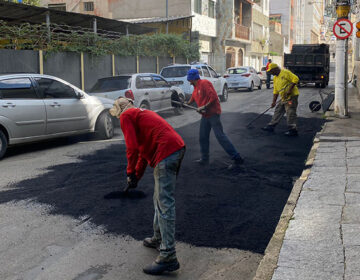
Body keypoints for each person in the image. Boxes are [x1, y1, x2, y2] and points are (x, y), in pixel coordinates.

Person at [109, 97, 185, 275]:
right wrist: (136, 176)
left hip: (166, 152)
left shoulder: (127, 115)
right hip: (174, 149)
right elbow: (143, 153)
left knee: (165, 203)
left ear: (120, 110)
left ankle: (168, 256)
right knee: (158, 198)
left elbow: (132, 148)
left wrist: (129, 172)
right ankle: (158, 238)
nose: (118, 119)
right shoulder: (140, 115)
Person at [186, 69, 243, 170]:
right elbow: (193, 99)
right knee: (203, 137)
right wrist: (185, 104)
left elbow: (213, 97)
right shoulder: (195, 88)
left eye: (189, 79)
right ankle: (205, 159)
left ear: (192, 78)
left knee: (220, 136)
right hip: (205, 116)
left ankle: (237, 158)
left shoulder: (204, 83)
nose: (188, 81)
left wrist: (203, 107)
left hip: (213, 114)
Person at [262, 63, 300, 136]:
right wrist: (274, 102)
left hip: (291, 97)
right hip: (283, 97)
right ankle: (271, 126)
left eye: (271, 71)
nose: (271, 73)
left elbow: (296, 79)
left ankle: (293, 130)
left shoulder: (285, 72)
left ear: (275, 69)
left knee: (290, 111)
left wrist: (289, 90)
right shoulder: (275, 78)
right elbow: (276, 91)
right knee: (278, 110)